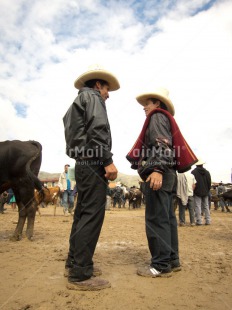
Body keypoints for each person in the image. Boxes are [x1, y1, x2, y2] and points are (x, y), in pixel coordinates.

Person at [126, 87, 198, 277]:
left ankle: (160, 265)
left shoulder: (157, 116)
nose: (144, 108)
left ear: (157, 103)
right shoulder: (165, 117)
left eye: (147, 103)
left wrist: (157, 169)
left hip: (160, 173)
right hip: (169, 174)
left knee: (156, 219)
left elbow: (161, 144)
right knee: (167, 219)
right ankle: (172, 260)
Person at [63, 64, 120, 290]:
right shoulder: (93, 98)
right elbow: (97, 130)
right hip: (94, 162)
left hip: (82, 163)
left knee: (81, 214)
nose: (108, 95)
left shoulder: (75, 103)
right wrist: (107, 160)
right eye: (107, 90)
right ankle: (80, 275)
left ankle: (74, 263)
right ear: (98, 85)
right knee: (91, 216)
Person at [191, 159, 211, 225]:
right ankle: (208, 221)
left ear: (196, 164)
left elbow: (193, 183)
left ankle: (199, 221)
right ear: (202, 164)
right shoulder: (207, 172)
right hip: (205, 191)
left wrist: (194, 190)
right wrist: (207, 190)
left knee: (197, 206)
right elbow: (209, 183)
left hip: (197, 191)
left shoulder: (193, 172)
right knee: (206, 206)